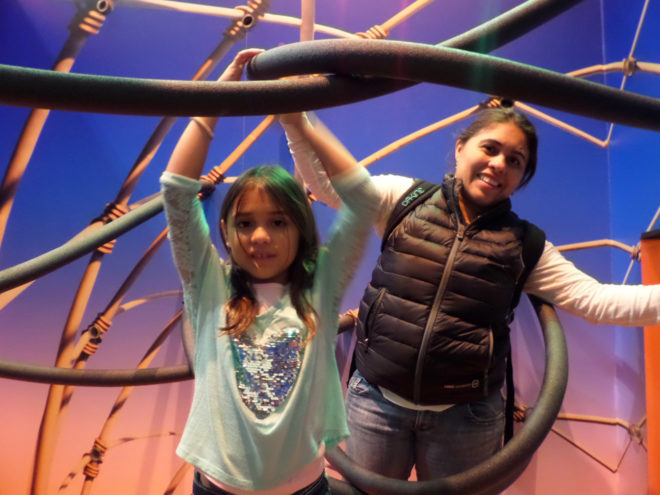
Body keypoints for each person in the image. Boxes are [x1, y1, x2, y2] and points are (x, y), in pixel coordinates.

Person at [280, 107, 660, 481]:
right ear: (461, 147)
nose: (499, 164)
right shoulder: (403, 198)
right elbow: (327, 188)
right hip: (376, 404)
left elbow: (597, 302)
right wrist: (293, 120)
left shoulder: (526, 245)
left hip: (466, 420)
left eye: (515, 161)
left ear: (521, 178)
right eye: (490, 149)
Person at [160, 49, 380, 495]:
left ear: (300, 229)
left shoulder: (321, 288)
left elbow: (364, 198)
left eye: (278, 222)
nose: (260, 236)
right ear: (225, 230)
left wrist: (299, 123)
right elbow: (176, 192)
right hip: (217, 487)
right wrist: (219, 95)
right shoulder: (209, 286)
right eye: (246, 223)